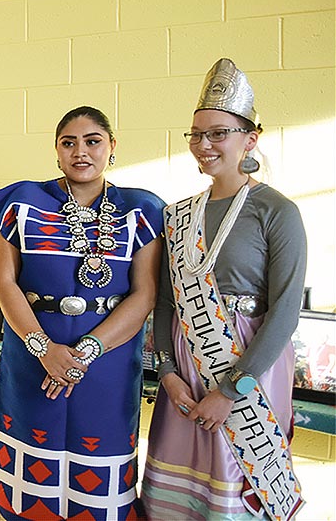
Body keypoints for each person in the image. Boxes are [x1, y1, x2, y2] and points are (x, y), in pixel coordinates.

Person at [141, 58, 307, 520]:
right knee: (179, 482)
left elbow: (286, 311)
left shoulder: (277, 211)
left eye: (218, 133)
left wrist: (232, 389)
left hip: (248, 366)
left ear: (250, 139)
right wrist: (168, 374)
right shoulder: (175, 215)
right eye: (196, 134)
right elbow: (165, 303)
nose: (204, 144)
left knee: (236, 478)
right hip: (184, 370)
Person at [0, 106, 164, 520]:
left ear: (111, 147)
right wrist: (45, 349)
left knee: (99, 457)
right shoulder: (21, 202)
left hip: (108, 362)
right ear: (57, 151)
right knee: (33, 456)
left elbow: (144, 294)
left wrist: (84, 353)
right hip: (32, 358)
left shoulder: (142, 211)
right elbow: (5, 283)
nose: (80, 151)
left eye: (92, 141)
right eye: (69, 142)